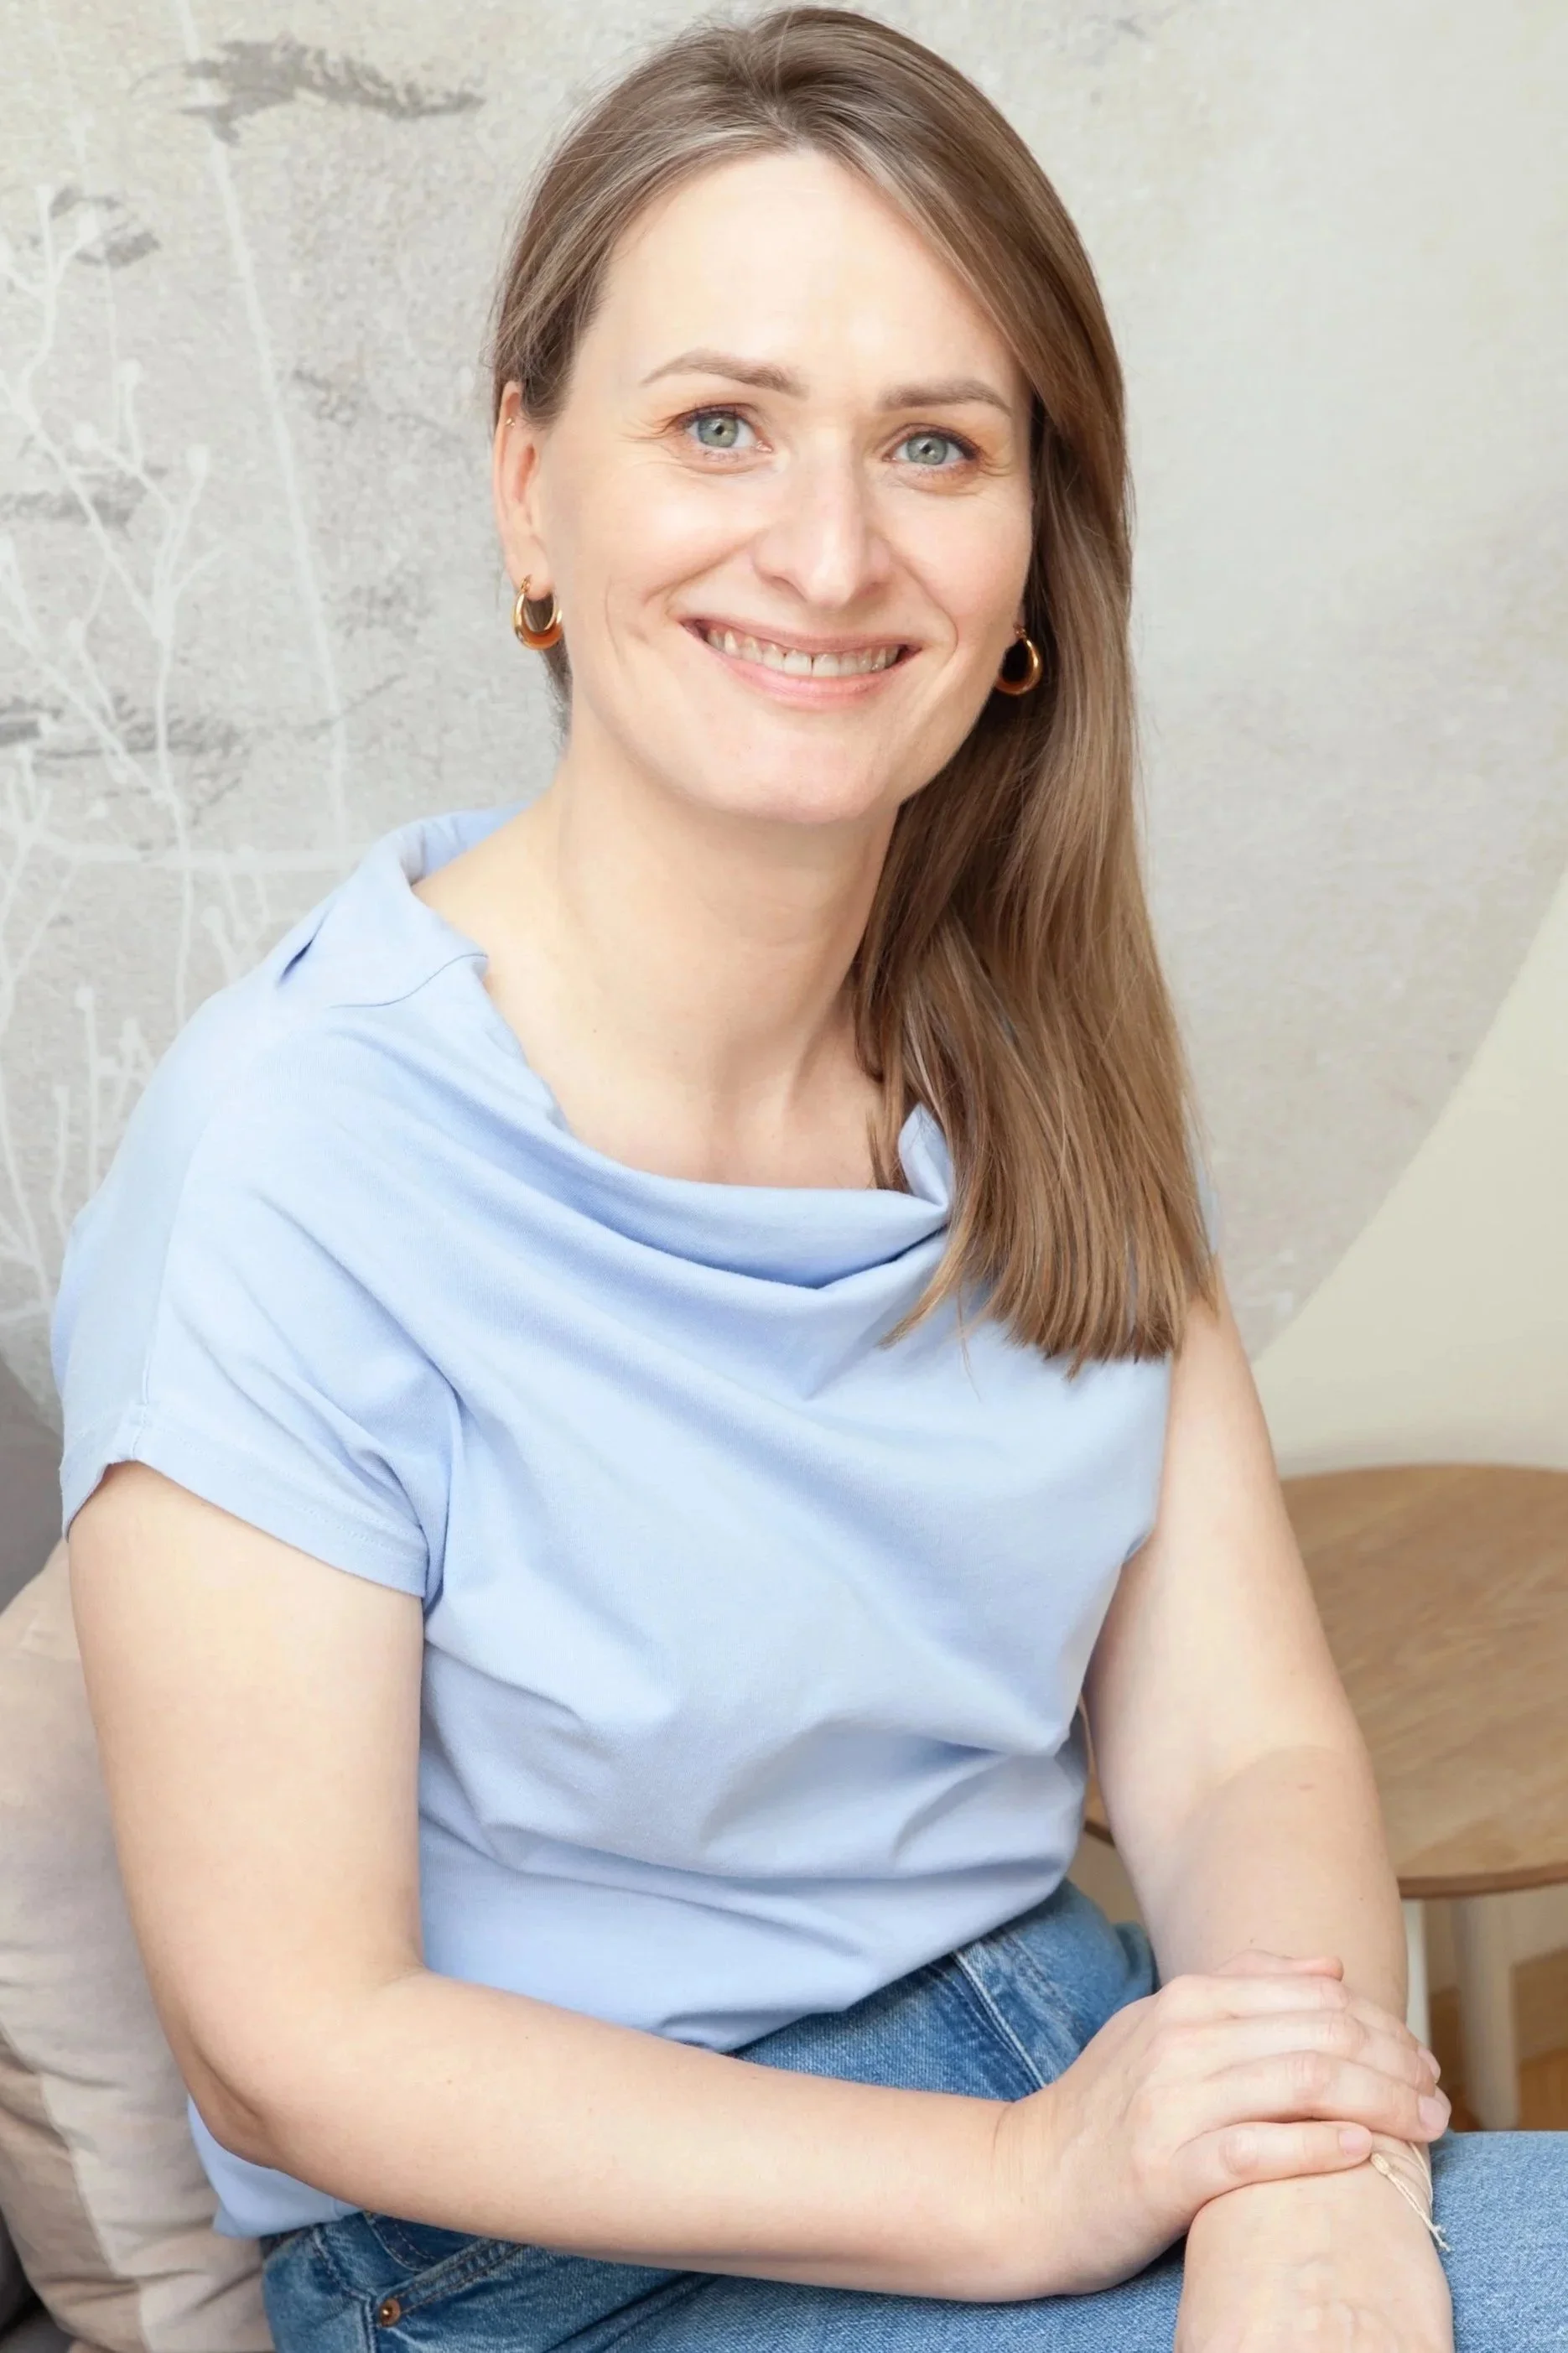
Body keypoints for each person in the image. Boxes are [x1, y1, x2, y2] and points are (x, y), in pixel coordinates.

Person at [55, 10, 1565, 2350]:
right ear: (528, 482)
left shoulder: (1028, 1054)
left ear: (1032, 551)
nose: (830, 548)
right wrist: (1016, 2179)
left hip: (1077, 2058)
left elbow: (1243, 1743)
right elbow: (299, 2029)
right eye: (719, 424)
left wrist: (1315, 2179)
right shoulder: (297, 1148)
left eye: (933, 444)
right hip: (567, 2255)